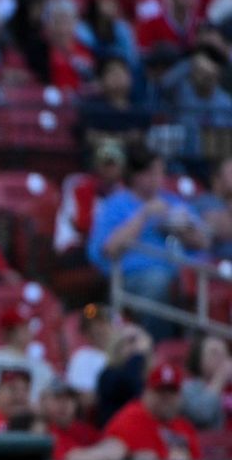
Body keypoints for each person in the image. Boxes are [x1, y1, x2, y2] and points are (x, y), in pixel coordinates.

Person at [88, 144, 209, 340]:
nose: (159, 178)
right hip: (133, 277)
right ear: (137, 175)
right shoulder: (116, 204)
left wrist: (182, 229)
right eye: (153, 172)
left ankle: (200, 347)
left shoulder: (172, 202)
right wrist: (144, 215)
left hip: (181, 272)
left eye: (161, 172)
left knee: (207, 282)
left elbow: (203, 242)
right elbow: (108, 249)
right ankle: (159, 346)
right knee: (157, 282)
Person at [67, 363, 202, 460]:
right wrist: (130, 459)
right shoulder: (129, 419)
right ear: (146, 392)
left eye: (171, 392)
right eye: (160, 391)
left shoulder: (185, 427)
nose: (166, 398)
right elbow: (105, 456)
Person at [0, 307, 55, 404]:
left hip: (34, 416)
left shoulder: (42, 366)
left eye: (28, 327)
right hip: (2, 415)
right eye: (23, 327)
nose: (29, 331)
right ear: (11, 332)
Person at [95, 322, 152, 426]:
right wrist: (137, 356)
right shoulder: (108, 374)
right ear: (117, 347)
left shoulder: (150, 378)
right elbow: (132, 387)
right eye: (131, 341)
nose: (137, 347)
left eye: (139, 342)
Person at [38, 377, 100, 460]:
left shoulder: (87, 432)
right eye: (57, 398)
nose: (64, 404)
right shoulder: (40, 432)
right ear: (43, 402)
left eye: (69, 398)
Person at [65, 304, 112, 413]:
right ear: (86, 333)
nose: (98, 329)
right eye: (91, 326)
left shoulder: (122, 357)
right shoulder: (82, 356)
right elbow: (83, 399)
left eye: (102, 323)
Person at [182, 335, 232, 429]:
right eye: (214, 353)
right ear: (199, 358)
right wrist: (219, 379)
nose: (222, 357)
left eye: (225, 352)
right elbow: (203, 415)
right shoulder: (188, 388)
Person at [193, 156, 232, 259]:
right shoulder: (205, 201)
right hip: (218, 264)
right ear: (216, 178)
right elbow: (222, 229)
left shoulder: (227, 202)